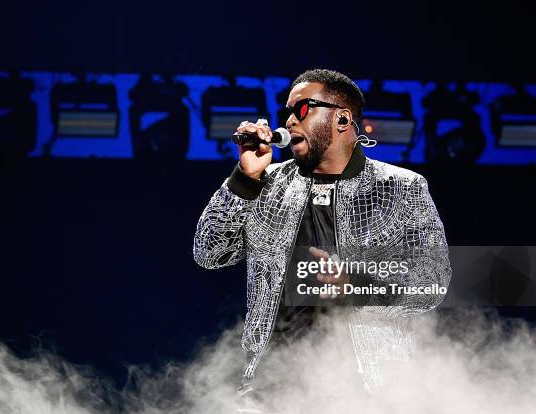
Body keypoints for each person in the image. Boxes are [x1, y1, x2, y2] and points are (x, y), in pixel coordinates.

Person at [193, 69, 451, 406]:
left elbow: (431, 282)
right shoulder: (264, 183)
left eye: (301, 109)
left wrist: (356, 283)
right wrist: (244, 180)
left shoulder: (401, 187)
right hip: (273, 389)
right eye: (285, 111)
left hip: (368, 393)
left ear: (342, 119)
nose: (288, 120)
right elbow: (209, 252)